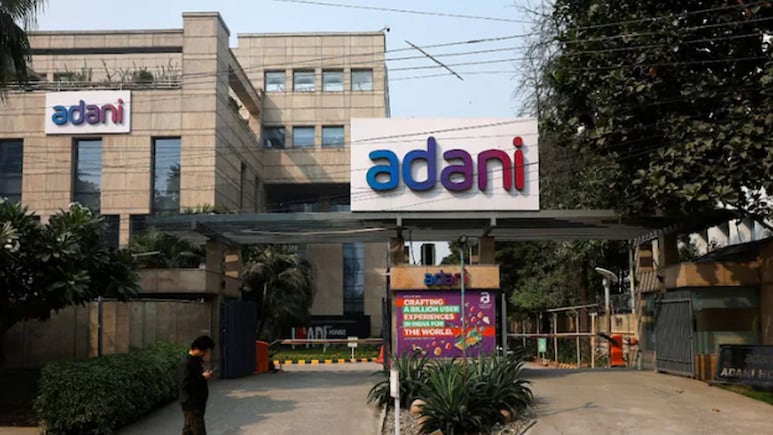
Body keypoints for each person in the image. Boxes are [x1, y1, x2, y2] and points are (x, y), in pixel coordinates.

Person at [179, 335, 215, 435]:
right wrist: (203, 377)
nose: (206, 354)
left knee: (188, 431)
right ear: (198, 349)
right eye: (206, 351)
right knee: (198, 431)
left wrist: (204, 376)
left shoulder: (195, 360)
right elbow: (185, 384)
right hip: (192, 404)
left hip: (196, 404)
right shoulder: (186, 363)